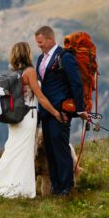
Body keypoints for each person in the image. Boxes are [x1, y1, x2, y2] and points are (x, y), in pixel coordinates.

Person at [0, 41, 65, 198]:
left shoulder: (14, 73)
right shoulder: (30, 72)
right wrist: (55, 113)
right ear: (27, 54)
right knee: (25, 153)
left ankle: (9, 186)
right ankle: (23, 190)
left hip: (14, 119)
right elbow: (40, 96)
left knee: (14, 148)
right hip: (28, 117)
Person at [34, 26, 86, 196]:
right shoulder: (41, 59)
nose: (39, 46)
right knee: (50, 151)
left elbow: (76, 83)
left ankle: (66, 188)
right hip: (45, 112)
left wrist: (78, 110)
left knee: (61, 150)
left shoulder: (65, 57)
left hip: (61, 112)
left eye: (40, 42)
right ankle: (56, 187)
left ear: (50, 39)